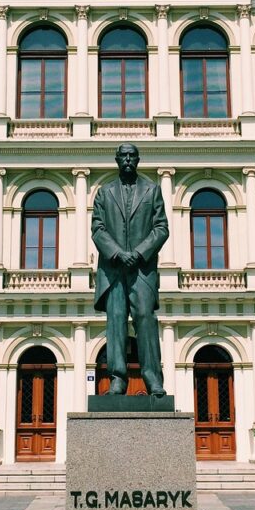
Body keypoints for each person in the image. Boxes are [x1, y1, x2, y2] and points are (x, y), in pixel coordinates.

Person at [91, 144, 169, 396]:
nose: (127, 160)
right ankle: (117, 379)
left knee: (145, 319)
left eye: (131, 156)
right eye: (123, 156)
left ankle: (152, 378)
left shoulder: (152, 190)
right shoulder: (104, 193)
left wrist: (138, 253)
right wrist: (117, 253)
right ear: (116, 160)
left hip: (142, 270)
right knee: (115, 323)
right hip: (113, 269)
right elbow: (98, 229)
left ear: (138, 159)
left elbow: (161, 228)